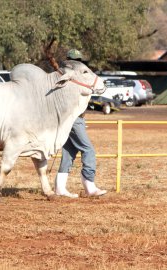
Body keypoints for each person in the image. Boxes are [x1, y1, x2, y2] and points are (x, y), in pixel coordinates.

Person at [54, 49, 107, 198]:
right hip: (74, 118)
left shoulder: (64, 74)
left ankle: (60, 188)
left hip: (72, 118)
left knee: (69, 152)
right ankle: (89, 185)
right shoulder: (74, 77)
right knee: (88, 150)